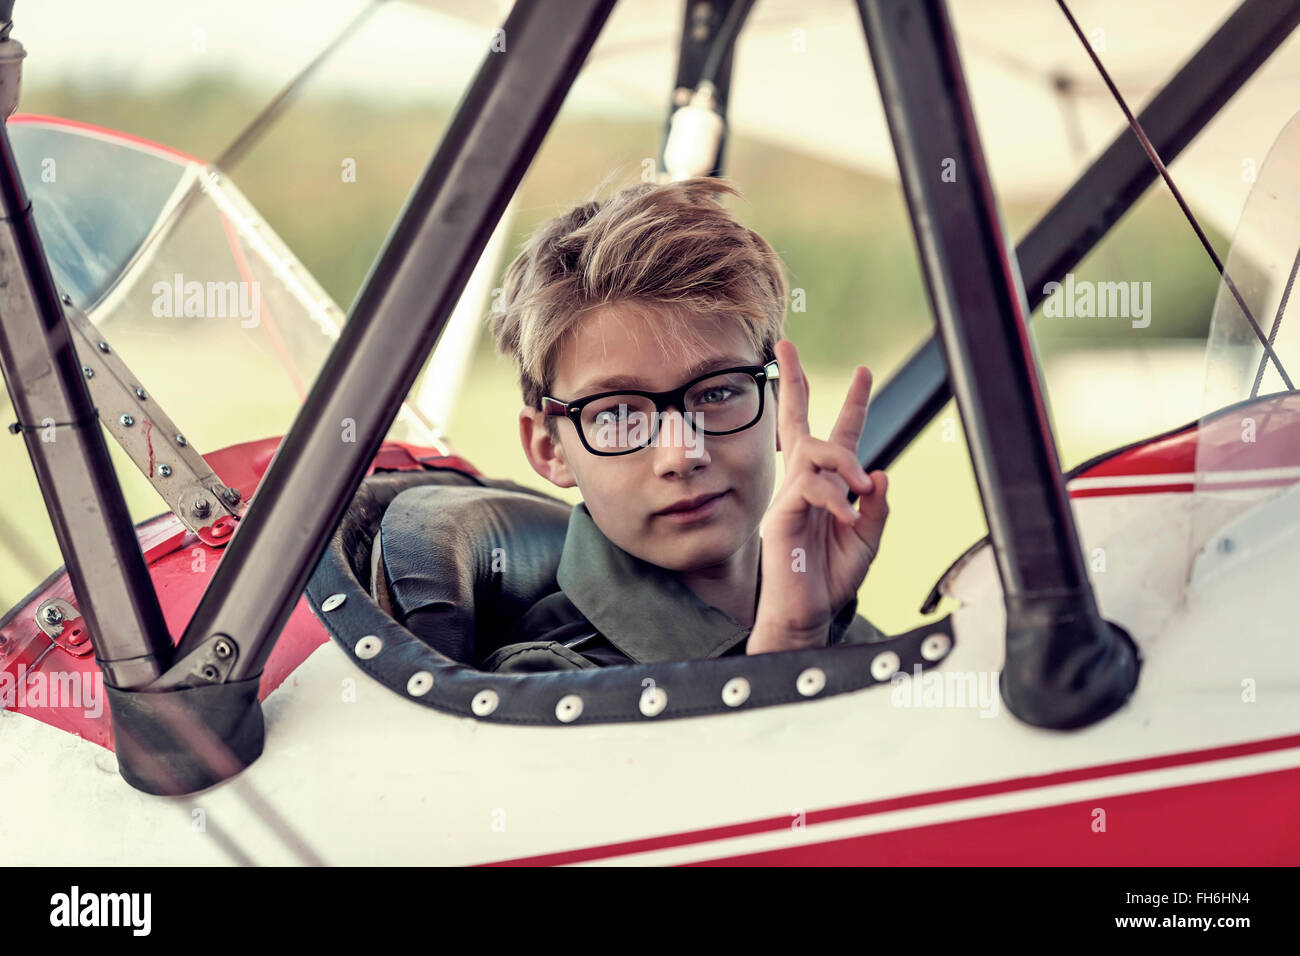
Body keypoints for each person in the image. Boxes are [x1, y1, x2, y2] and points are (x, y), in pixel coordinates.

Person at [483, 175, 890, 673]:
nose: (682, 455)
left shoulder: (850, 632)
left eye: (717, 393)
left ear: (778, 402)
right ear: (550, 448)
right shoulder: (549, 682)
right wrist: (790, 642)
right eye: (616, 413)